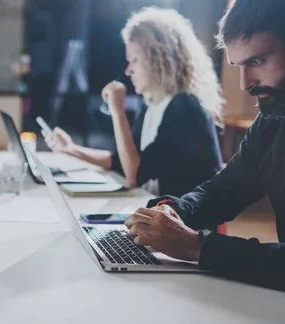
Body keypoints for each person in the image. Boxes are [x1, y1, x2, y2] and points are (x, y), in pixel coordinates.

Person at [125, 0, 285, 290]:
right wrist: (173, 210)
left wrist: (196, 247)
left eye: (257, 61)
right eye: (238, 66)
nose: (244, 84)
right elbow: (222, 192)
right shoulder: (271, 124)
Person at [42, 8, 223, 198]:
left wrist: (118, 111)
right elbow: (124, 161)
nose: (128, 71)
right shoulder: (152, 104)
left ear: (158, 59)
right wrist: (71, 149)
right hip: (154, 211)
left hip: (182, 223)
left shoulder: (184, 108)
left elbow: (134, 175)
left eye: (134, 61)